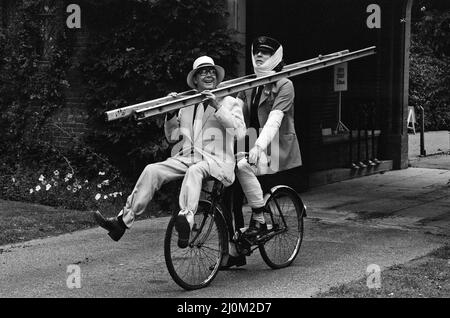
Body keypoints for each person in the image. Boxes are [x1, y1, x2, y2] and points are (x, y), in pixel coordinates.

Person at [94, 56, 246, 249]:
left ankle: (186, 220)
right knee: (152, 170)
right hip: (190, 157)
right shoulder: (188, 103)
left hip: (218, 161)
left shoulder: (230, 101)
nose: (209, 74)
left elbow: (240, 133)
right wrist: (171, 111)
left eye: (212, 71)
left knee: (195, 171)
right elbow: (173, 137)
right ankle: (122, 222)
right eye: (203, 72)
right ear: (195, 80)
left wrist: (218, 106)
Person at [235, 36, 302, 240]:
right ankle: (235, 246)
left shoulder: (284, 84)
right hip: (250, 144)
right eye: (256, 52)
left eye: (265, 52)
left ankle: (260, 219)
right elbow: (235, 114)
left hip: (274, 148)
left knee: (242, 167)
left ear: (276, 56)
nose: (259, 55)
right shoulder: (250, 85)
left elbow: (275, 120)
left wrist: (259, 146)